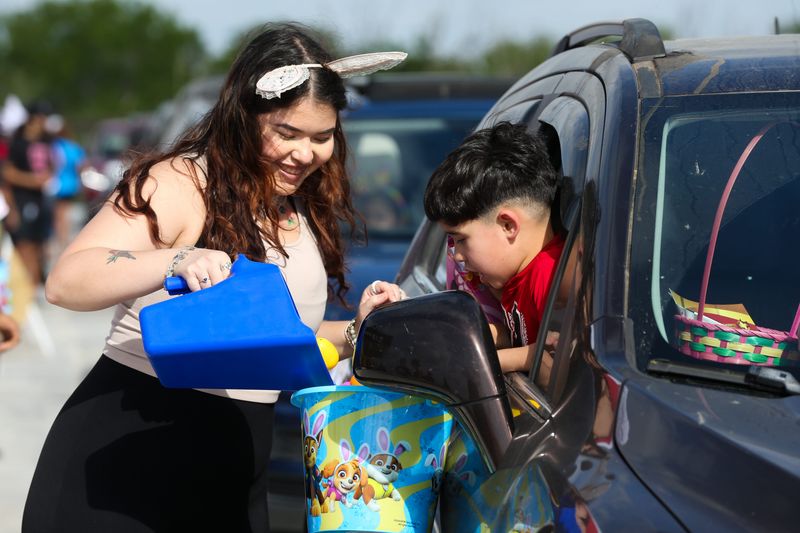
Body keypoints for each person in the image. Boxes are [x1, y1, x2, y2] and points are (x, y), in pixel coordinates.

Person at [23, 23, 406, 532]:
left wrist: (360, 327)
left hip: (236, 464)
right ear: (243, 118)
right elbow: (66, 281)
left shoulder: (296, 204)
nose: (304, 154)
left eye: (321, 137)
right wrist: (175, 260)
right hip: (127, 459)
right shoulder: (181, 182)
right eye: (286, 134)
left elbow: (267, 340)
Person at [423, 121, 564, 377]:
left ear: (508, 225)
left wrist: (524, 357)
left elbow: (556, 365)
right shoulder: (516, 280)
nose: (456, 256)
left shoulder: (551, 280)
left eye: (460, 239)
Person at [2, 100, 54, 289]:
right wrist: (32, 180)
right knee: (24, 244)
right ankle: (27, 287)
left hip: (41, 199)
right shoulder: (18, 143)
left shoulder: (46, 141)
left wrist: (48, 176)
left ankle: (33, 284)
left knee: (39, 243)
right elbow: (8, 173)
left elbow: (50, 166)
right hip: (22, 198)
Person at [45, 114, 88, 256]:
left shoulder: (54, 146)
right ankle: (64, 239)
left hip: (58, 184)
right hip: (71, 183)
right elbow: (81, 165)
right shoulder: (73, 146)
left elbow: (51, 165)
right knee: (64, 211)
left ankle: (61, 240)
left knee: (58, 213)